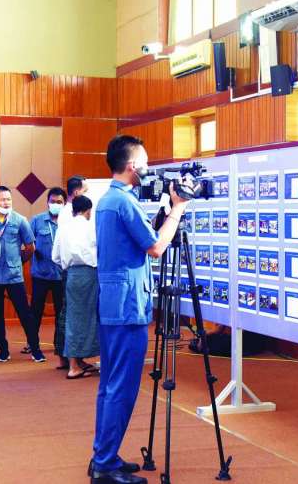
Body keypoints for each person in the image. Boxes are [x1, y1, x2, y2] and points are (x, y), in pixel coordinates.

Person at [90, 135, 190, 484]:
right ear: (132, 166)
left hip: (113, 302)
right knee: (122, 386)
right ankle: (104, 464)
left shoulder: (110, 200)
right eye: (145, 162)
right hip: (128, 306)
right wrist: (178, 208)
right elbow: (157, 247)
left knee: (110, 385)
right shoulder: (123, 202)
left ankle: (104, 455)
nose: (149, 168)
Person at [0, 186, 37, 362]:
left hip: (14, 275)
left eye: (9, 199)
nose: (6, 202)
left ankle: (35, 349)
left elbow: (30, 247)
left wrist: (18, 262)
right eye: (3, 199)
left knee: (25, 313)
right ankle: (3, 351)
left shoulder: (20, 220)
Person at [52, 195, 99, 379]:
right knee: (86, 319)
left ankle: (77, 361)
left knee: (73, 317)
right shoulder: (91, 227)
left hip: (70, 274)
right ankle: (74, 366)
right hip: (89, 274)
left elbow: (55, 256)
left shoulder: (63, 228)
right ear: (88, 210)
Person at [25, 187, 67, 364]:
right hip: (41, 274)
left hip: (61, 275)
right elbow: (28, 243)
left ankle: (59, 344)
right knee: (35, 311)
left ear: (65, 203)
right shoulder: (37, 220)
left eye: (59, 202)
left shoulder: (69, 222)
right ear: (47, 202)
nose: (56, 204)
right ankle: (32, 343)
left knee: (61, 312)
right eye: (52, 201)